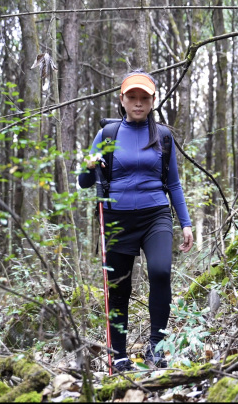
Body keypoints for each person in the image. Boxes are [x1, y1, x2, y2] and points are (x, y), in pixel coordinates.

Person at [78, 70, 193, 372]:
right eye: (132, 97)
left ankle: (157, 347)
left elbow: (174, 184)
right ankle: (118, 356)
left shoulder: (164, 137)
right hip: (117, 218)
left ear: (153, 101)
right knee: (119, 287)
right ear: (122, 99)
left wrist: (186, 222)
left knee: (160, 272)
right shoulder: (107, 134)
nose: (138, 103)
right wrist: (91, 166)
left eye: (144, 97)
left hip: (155, 214)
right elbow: (83, 181)